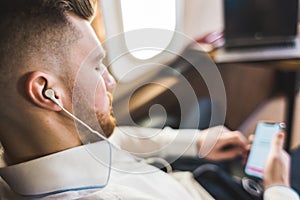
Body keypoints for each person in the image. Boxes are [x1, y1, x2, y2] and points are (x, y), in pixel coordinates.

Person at [0, 0, 298, 199]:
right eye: (95, 66)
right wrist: (277, 186)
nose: (111, 80)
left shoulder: (59, 145)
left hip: (195, 182)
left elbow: (119, 139)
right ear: (46, 91)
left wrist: (196, 142)